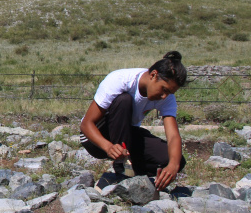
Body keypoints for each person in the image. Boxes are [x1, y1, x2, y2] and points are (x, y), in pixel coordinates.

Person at [79, 51, 188, 192]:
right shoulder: (120, 80)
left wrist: (173, 165)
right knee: (124, 101)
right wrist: (108, 147)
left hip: (126, 136)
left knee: (176, 160)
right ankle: (121, 170)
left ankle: (128, 175)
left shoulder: (166, 97)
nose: (164, 96)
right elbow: (86, 124)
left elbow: (173, 136)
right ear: (153, 75)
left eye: (169, 93)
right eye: (164, 90)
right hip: (95, 138)